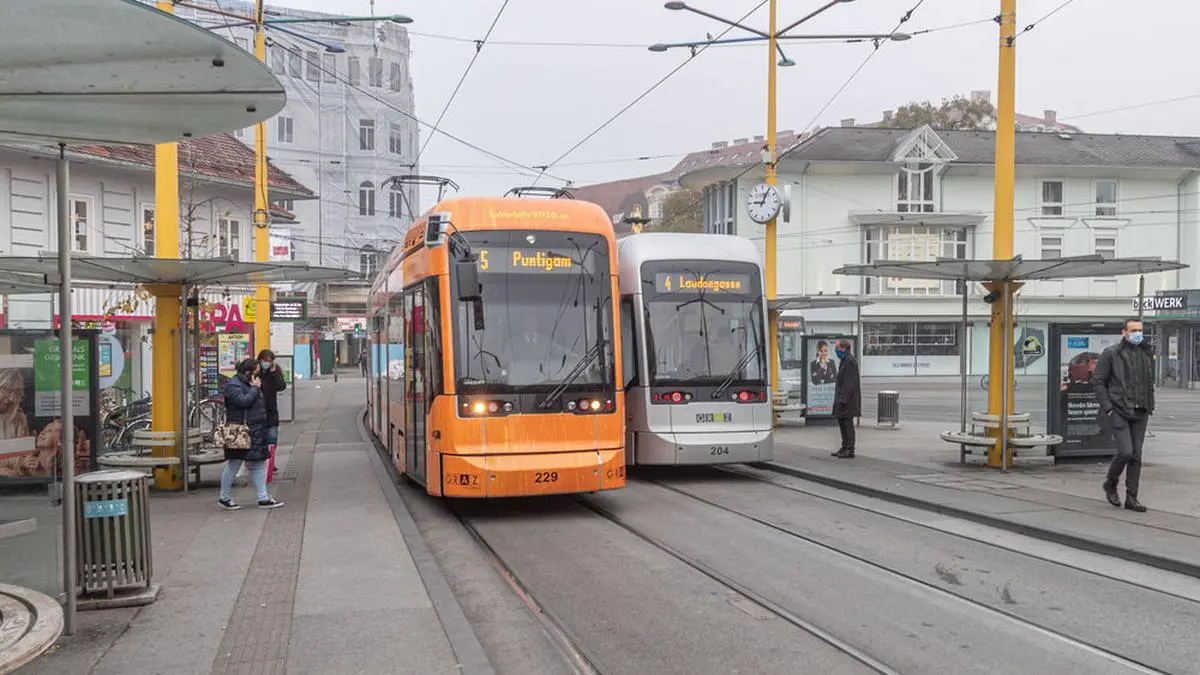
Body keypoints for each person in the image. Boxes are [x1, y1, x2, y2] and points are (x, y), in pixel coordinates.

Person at [1094, 318, 1155, 512]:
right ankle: (1111, 483)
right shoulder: (1111, 354)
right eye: (1134, 330)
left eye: (1140, 330)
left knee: (1136, 455)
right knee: (1126, 452)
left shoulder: (1146, 353)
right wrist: (1108, 407)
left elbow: (1148, 382)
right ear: (1124, 332)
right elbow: (1099, 382)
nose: (1138, 334)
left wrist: (1149, 405)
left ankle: (1132, 498)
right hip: (1119, 410)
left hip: (1140, 410)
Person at [219, 358, 283, 510]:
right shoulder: (234, 385)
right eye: (256, 372)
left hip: (255, 430)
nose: (258, 375)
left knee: (259, 464)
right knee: (234, 464)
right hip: (240, 431)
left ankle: (263, 497)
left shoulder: (250, 383)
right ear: (248, 372)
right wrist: (254, 388)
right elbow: (243, 401)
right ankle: (224, 497)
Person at [257, 349, 287, 475]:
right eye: (265, 361)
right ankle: (260, 461)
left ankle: (270, 462)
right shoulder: (256, 372)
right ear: (260, 360)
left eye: (270, 361)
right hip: (257, 412)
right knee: (260, 438)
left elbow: (281, 386)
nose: (267, 363)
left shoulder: (275, 372)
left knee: (272, 438)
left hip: (271, 411)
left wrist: (274, 373)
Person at [831, 339, 861, 459]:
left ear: (844, 348)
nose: (836, 351)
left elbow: (849, 383)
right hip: (842, 399)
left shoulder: (850, 361)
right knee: (842, 423)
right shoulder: (845, 360)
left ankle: (849, 449)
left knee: (847, 424)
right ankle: (844, 447)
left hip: (847, 400)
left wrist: (843, 399)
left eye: (837, 349)